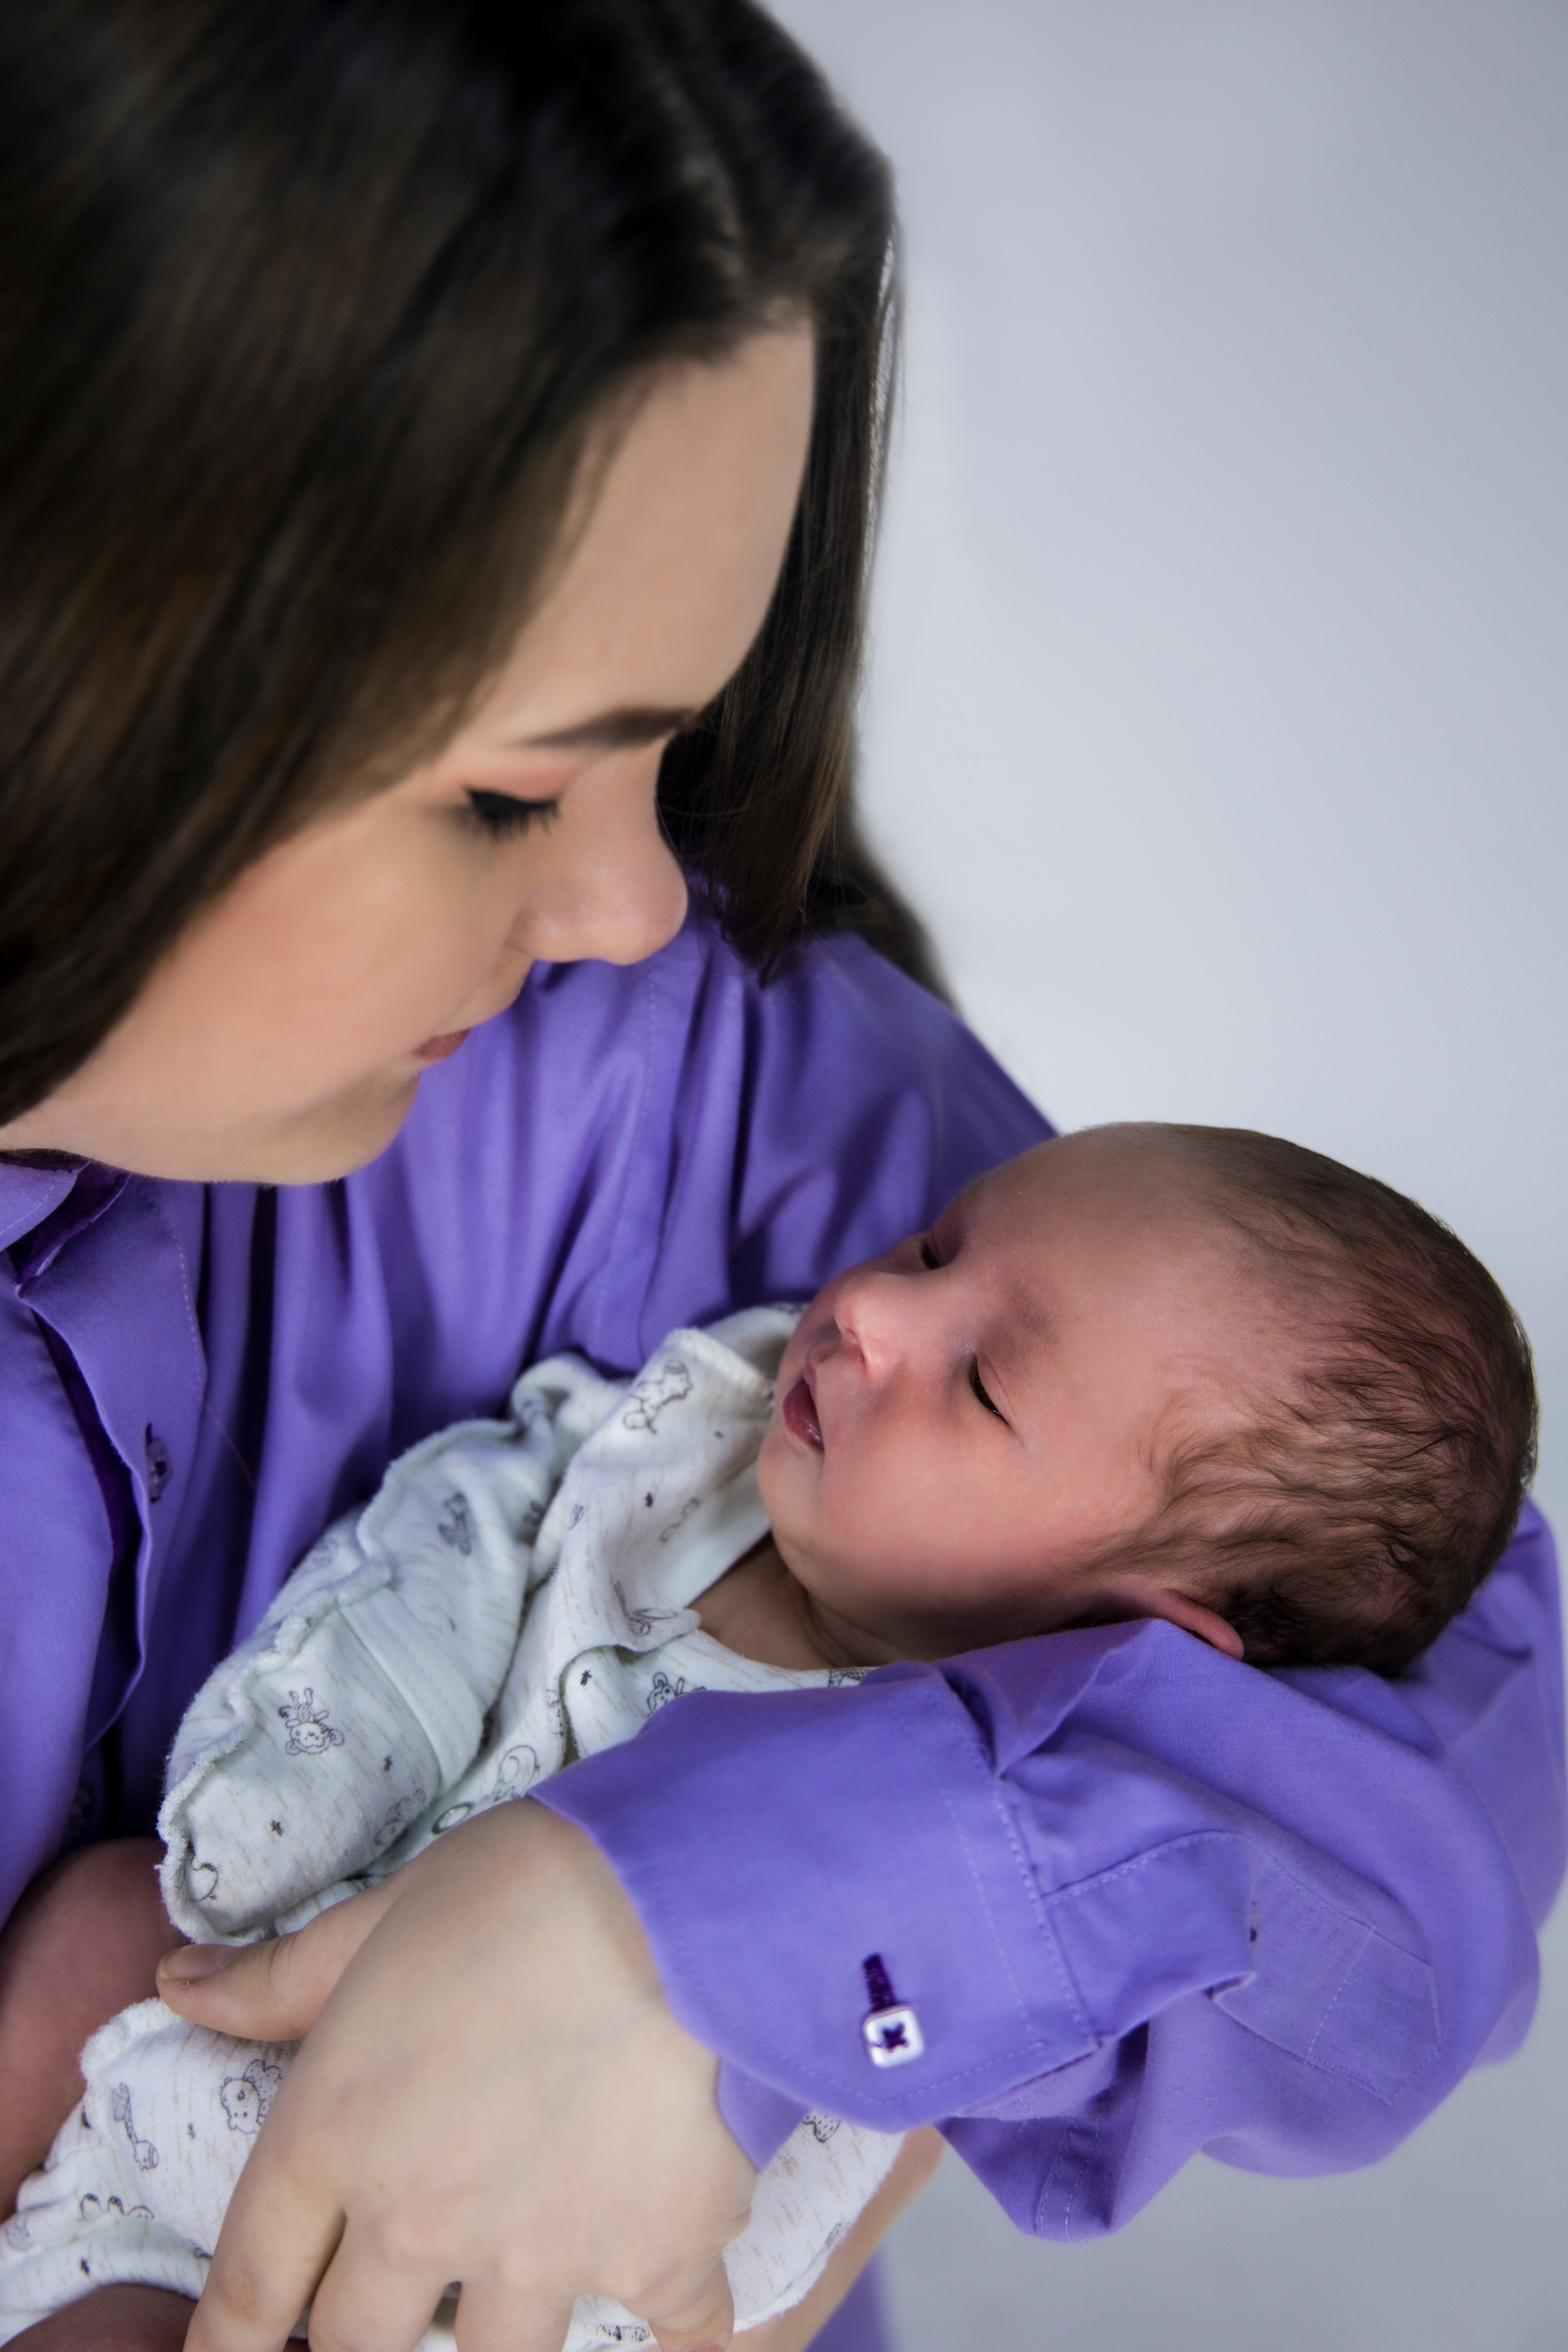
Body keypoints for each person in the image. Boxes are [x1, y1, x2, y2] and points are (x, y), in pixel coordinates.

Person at [0, 7, 1559, 2352]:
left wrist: (700, 1931)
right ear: (86, 671)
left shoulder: (674, 1090)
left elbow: (1433, 1702)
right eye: (512, 793)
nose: (645, 909)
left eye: (682, 747)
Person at [0, 1121, 1542, 2348]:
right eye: (935, 1243)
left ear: (1140, 1628)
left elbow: (800, 2184)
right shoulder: (695, 1440)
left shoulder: (990, 1786)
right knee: (88, 1925)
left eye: (985, 1385)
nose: (872, 1307)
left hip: (498, 2268)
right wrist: (315, 1778)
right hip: (250, 1980)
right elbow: (463, 1532)